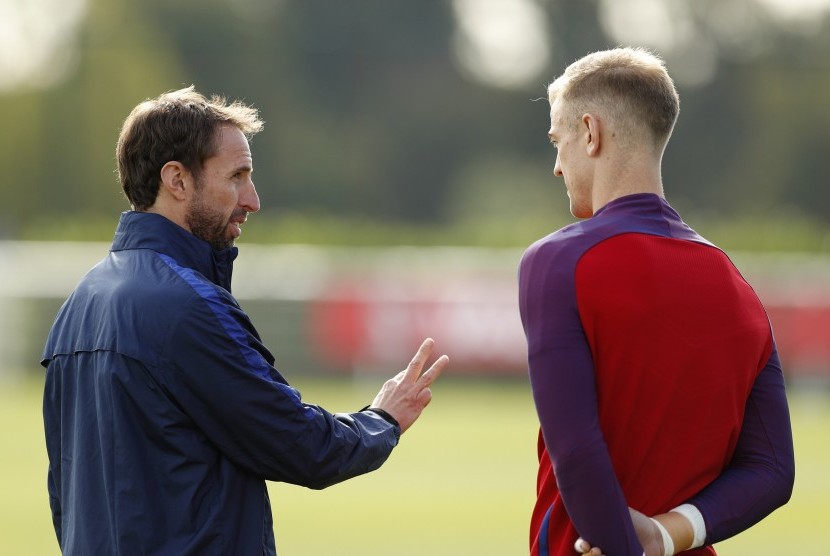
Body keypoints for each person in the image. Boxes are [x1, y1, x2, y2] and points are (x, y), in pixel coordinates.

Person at [41, 86, 449, 555]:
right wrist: (382, 420)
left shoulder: (78, 304)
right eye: (236, 176)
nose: (252, 199)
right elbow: (302, 446)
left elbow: (65, 493)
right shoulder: (186, 307)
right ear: (176, 180)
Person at [517, 47, 794, 555]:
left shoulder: (556, 262)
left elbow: (577, 451)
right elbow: (772, 471)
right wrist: (664, 535)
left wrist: (624, 545)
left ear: (591, 132)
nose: (557, 166)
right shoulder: (736, 283)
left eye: (558, 142)